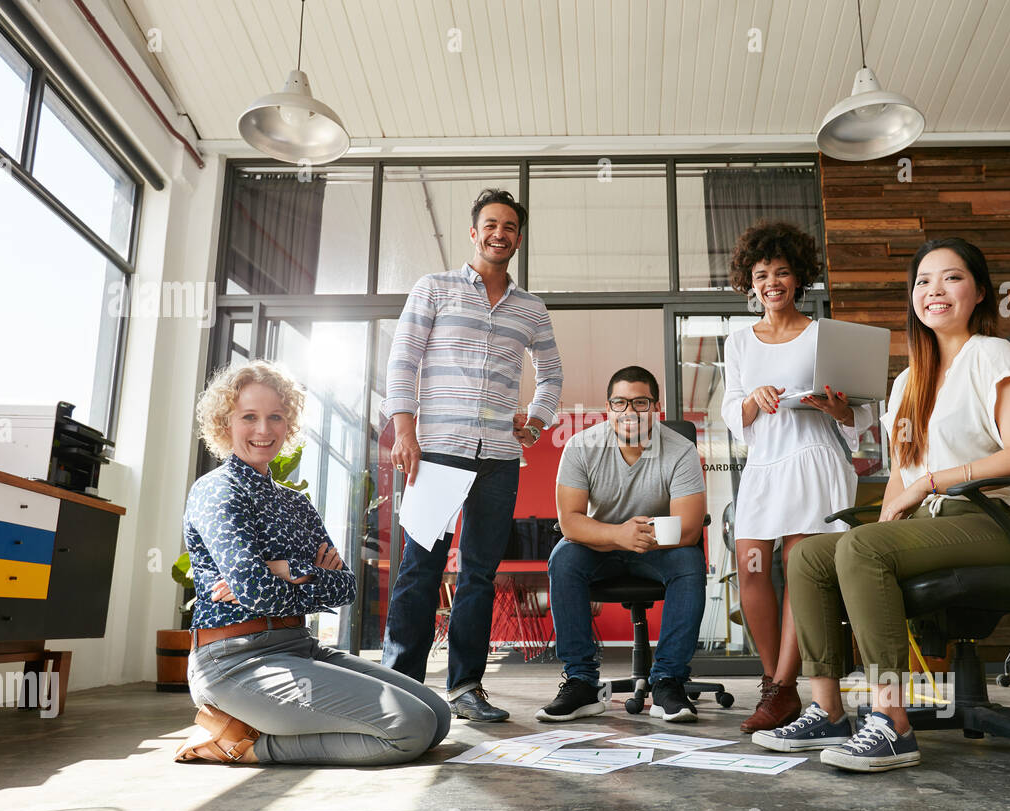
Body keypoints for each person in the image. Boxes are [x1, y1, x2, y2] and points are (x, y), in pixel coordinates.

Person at [787, 237, 1010, 771]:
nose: (935, 290)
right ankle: (828, 709)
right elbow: (902, 477)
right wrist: (889, 514)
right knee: (809, 555)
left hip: (999, 522)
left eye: (951, 278)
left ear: (978, 292)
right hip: (937, 523)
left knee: (860, 550)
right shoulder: (909, 380)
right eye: (923, 281)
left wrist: (928, 484)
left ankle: (890, 722)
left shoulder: (992, 354)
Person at [178, 360, 450, 765]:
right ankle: (244, 745)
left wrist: (280, 569)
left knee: (439, 717)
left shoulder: (295, 502)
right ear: (225, 423)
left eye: (276, 417)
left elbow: (346, 586)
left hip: (300, 647)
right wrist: (299, 574)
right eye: (249, 417)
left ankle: (264, 725)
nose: (264, 430)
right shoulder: (216, 491)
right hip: (235, 660)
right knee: (409, 728)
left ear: (289, 424)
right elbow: (256, 589)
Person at [381, 188, 562, 722]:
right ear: (474, 231)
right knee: (421, 568)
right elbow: (403, 360)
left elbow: (551, 372)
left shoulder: (531, 308)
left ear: (518, 239)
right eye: (490, 224)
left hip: (499, 458)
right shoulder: (434, 289)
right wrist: (404, 432)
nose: (499, 233)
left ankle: (466, 687)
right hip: (435, 451)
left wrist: (537, 418)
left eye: (509, 226)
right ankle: (401, 686)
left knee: (480, 574)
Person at [719, 220, 875, 741]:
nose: (771, 283)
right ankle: (777, 685)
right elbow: (728, 409)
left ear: (798, 277)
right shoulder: (739, 341)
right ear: (750, 282)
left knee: (799, 568)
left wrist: (838, 407)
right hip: (765, 462)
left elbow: (861, 414)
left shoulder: (824, 335)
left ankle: (782, 685)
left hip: (814, 457)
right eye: (761, 274)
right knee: (751, 564)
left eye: (782, 272)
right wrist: (751, 400)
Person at [537, 366, 708, 723]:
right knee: (563, 558)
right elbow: (569, 521)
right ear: (608, 407)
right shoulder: (581, 447)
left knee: (689, 561)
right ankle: (582, 683)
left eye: (640, 402)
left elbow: (690, 528)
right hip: (601, 548)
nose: (630, 411)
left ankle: (667, 682)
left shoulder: (681, 451)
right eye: (620, 402)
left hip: (658, 551)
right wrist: (618, 535)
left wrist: (637, 536)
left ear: (655, 407)